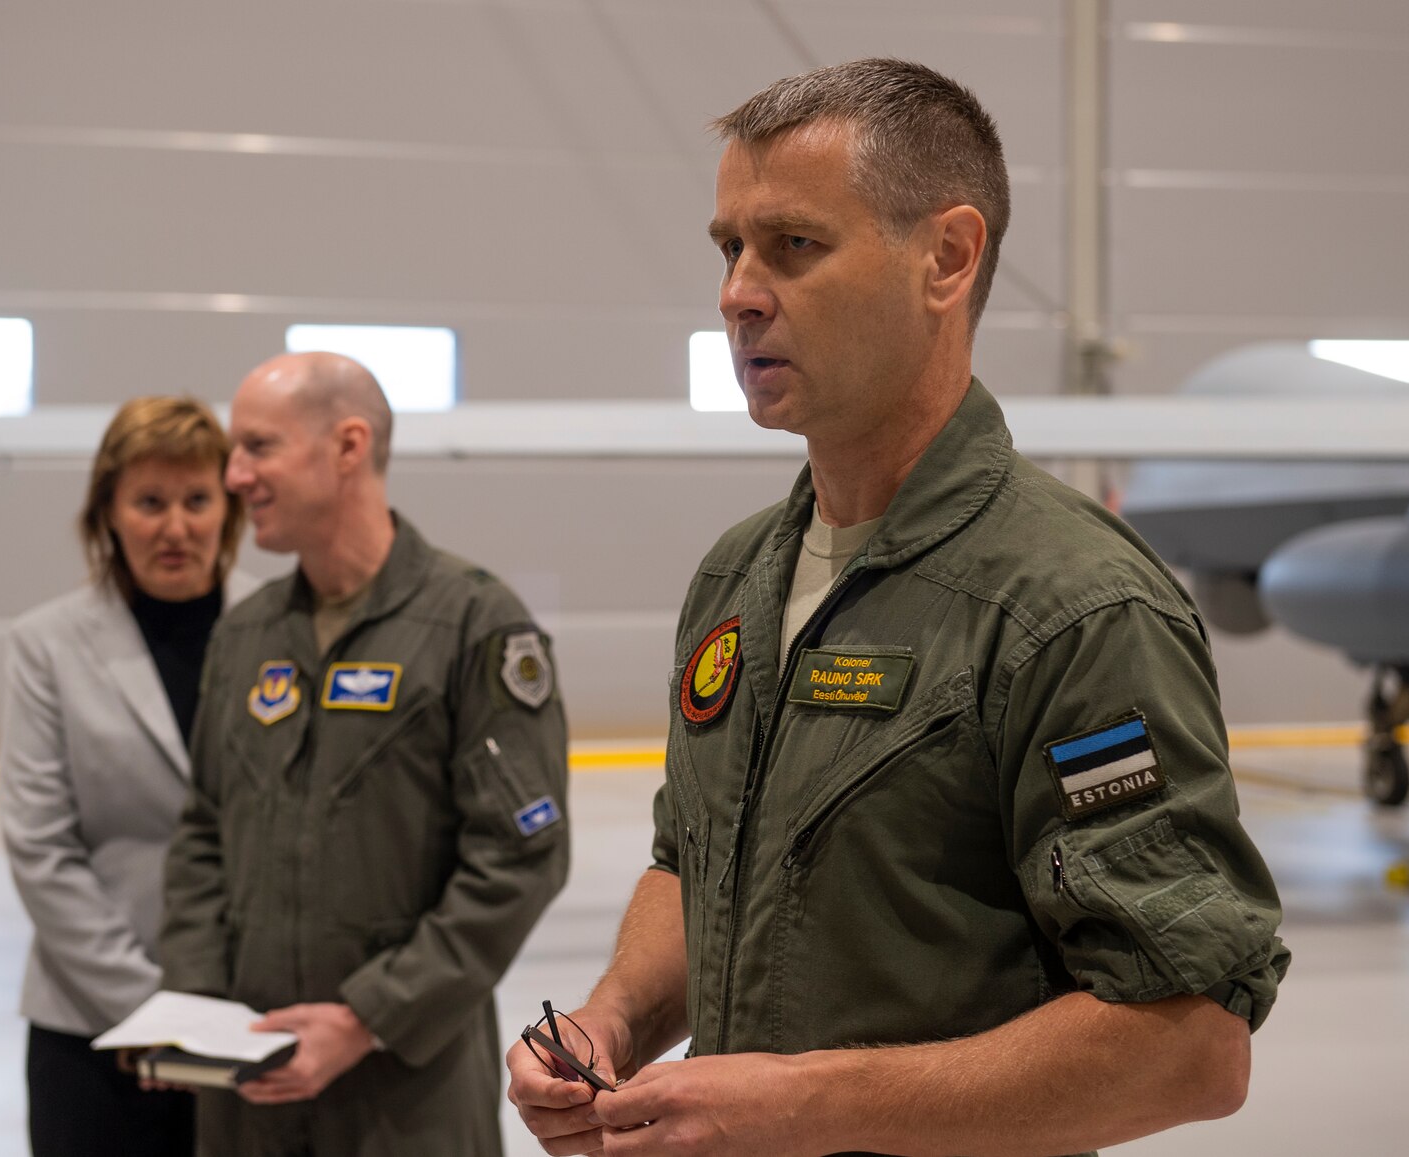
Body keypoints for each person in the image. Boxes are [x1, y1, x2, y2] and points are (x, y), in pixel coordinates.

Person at [509, 58, 1291, 1157]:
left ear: (947, 257)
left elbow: (1191, 1043)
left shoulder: (1070, 604)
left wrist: (796, 1105)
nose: (737, 289)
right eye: (727, 246)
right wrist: (615, 1022)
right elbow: (693, 860)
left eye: (792, 244)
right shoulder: (739, 578)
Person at [159, 351, 571, 1156]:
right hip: (252, 1092)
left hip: (406, 1096)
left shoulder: (472, 625)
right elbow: (202, 830)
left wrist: (366, 1018)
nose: (235, 476)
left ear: (348, 447)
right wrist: (200, 1005)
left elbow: (520, 857)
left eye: (257, 447)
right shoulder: (245, 636)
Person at [0, 396, 258, 1157]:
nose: (175, 526)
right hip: (94, 1032)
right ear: (107, 512)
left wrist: (217, 1011)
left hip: (253, 1025)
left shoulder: (287, 629)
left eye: (196, 499)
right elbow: (40, 847)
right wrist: (151, 1009)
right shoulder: (46, 644)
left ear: (230, 507)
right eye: (148, 501)